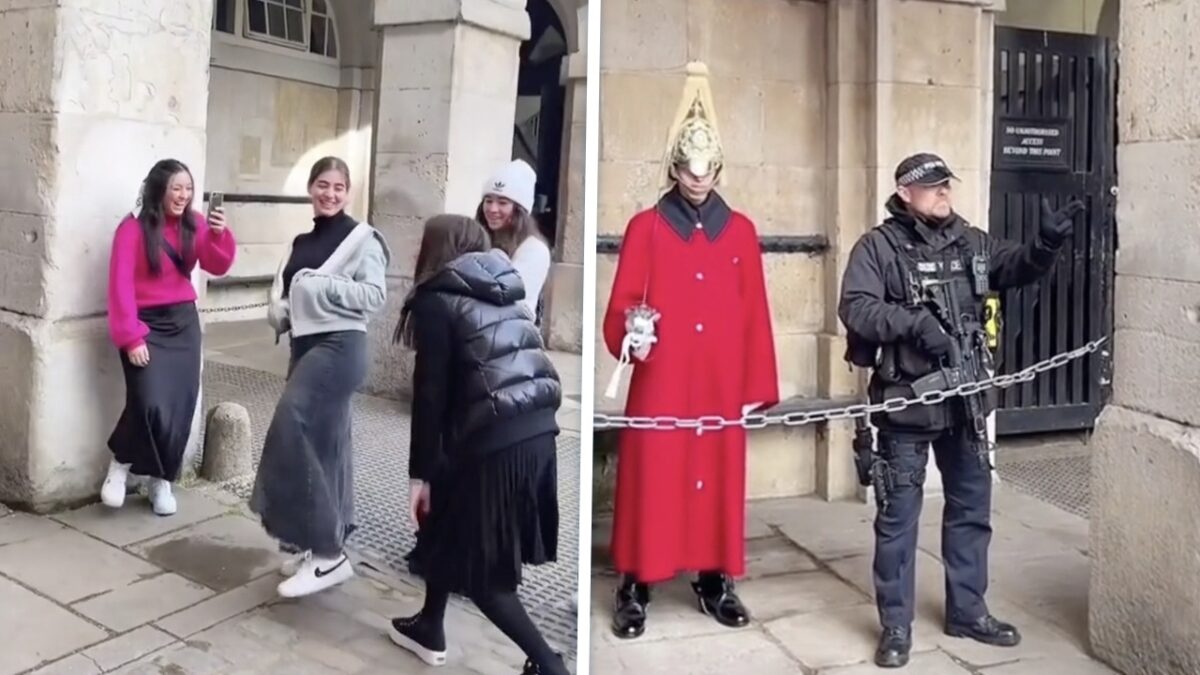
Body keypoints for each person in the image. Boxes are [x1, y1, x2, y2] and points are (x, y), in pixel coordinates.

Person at [837, 152, 1084, 668]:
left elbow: (1014, 267)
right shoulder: (878, 248)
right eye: (932, 186)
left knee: (972, 510)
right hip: (908, 402)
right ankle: (896, 626)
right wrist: (913, 324)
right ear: (905, 193)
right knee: (898, 520)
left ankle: (968, 611)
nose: (943, 192)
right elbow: (856, 307)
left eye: (946, 184)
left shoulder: (969, 241)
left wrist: (1045, 243)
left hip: (966, 402)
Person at [601, 61, 779, 640]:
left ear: (718, 169)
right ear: (674, 168)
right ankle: (636, 583)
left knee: (716, 480)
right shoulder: (645, 227)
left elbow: (754, 312)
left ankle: (713, 579)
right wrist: (632, 334)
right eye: (687, 168)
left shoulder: (742, 231)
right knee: (652, 480)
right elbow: (623, 303)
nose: (697, 179)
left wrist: (756, 384)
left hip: (721, 381)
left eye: (706, 170)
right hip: (664, 378)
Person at [385, 214, 567, 675]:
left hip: (495, 440)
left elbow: (430, 397)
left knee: (483, 577)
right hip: (537, 430)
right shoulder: (503, 287)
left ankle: (550, 665)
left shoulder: (436, 299)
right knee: (444, 523)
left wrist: (419, 476)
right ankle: (430, 626)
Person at [251, 156, 391, 599]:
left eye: (339, 187)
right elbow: (289, 293)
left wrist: (317, 285)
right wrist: (281, 309)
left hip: (340, 346)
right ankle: (318, 543)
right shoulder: (300, 241)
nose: (330, 194)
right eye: (323, 185)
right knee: (327, 446)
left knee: (291, 424)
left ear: (348, 193)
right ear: (311, 188)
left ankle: (329, 555)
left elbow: (375, 296)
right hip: (304, 346)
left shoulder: (362, 238)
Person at [104, 159, 237, 516]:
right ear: (158, 190)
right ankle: (120, 463)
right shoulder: (131, 228)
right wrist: (131, 337)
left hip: (183, 323)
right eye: (176, 188)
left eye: (188, 189)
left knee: (179, 407)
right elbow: (119, 286)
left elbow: (216, 265)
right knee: (148, 402)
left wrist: (219, 234)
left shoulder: (195, 223)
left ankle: (161, 480)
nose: (183, 196)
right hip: (145, 324)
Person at [475, 159, 551, 324]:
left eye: (502, 203)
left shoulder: (534, 249)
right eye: (488, 201)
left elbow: (510, 298)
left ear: (519, 210)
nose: (493, 209)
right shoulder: (479, 239)